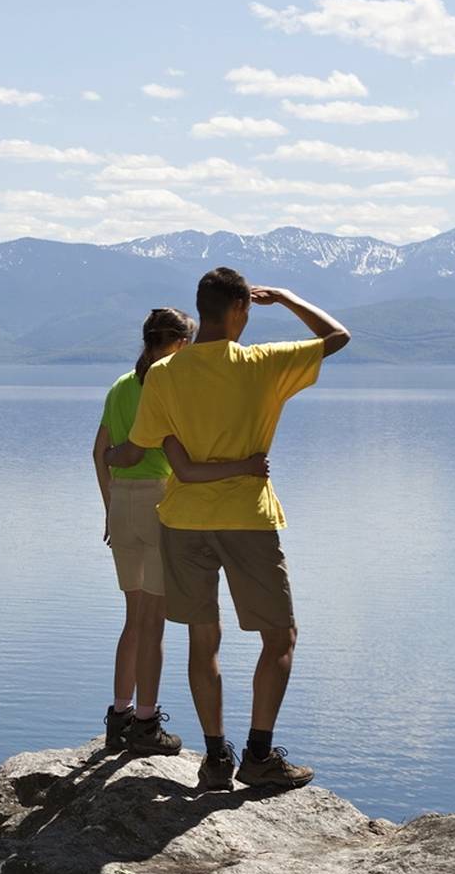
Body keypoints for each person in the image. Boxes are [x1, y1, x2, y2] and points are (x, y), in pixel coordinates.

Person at [129, 267, 350, 792]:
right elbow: (336, 336)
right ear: (239, 310)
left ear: (199, 310)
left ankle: (213, 758)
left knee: (202, 641)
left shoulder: (164, 374)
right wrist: (289, 296)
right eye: (247, 310)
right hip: (247, 519)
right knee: (279, 637)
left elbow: (158, 448)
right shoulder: (261, 363)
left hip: (182, 522)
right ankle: (258, 754)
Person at [94, 309, 272, 755]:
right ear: (178, 343)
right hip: (159, 502)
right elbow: (183, 461)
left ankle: (119, 714)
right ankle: (146, 724)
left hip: (123, 504)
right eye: (188, 342)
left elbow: (101, 452)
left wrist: (110, 507)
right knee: (153, 623)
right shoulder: (169, 382)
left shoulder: (120, 385)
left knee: (133, 619)